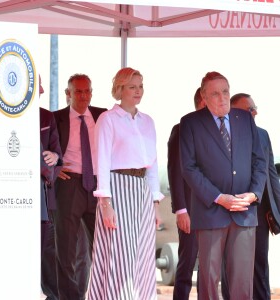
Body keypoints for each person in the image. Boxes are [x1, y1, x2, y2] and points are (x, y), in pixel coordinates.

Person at [178, 71, 266, 300]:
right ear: (204, 97)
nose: (223, 97)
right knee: (208, 281)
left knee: (241, 284)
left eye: (225, 91)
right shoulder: (190, 123)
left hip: (244, 212)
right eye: (215, 94)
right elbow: (188, 168)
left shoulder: (245, 119)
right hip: (210, 213)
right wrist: (218, 197)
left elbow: (259, 160)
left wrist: (253, 194)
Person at [87, 67, 164, 300]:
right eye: (132, 86)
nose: (138, 91)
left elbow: (152, 163)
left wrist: (155, 203)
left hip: (141, 191)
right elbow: (101, 161)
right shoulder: (107, 119)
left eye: (140, 86)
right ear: (120, 89)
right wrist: (105, 203)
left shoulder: (148, 121)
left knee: (141, 254)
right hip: (117, 190)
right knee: (121, 254)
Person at [53, 73, 107, 300]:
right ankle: (71, 297)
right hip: (69, 185)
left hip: (98, 186)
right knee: (66, 249)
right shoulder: (56, 118)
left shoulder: (103, 116)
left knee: (104, 246)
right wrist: (55, 168)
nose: (83, 96)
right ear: (68, 94)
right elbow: (38, 146)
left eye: (87, 91)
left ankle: (103, 293)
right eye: (78, 92)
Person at [228, 93, 280, 300]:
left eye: (254, 107)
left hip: (258, 211)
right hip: (230, 209)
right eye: (250, 109)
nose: (255, 112)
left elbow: (271, 175)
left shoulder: (263, 135)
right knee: (231, 265)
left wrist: (277, 209)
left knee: (259, 265)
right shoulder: (221, 134)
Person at [167, 87, 205, 300]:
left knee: (210, 268)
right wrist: (181, 210)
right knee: (187, 263)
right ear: (202, 100)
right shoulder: (180, 129)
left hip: (215, 210)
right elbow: (174, 171)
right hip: (190, 210)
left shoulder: (220, 132)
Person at [39, 76, 63, 300]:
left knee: (47, 253)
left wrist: (54, 157)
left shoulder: (46, 116)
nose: (42, 89)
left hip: (43, 198)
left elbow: (58, 155)